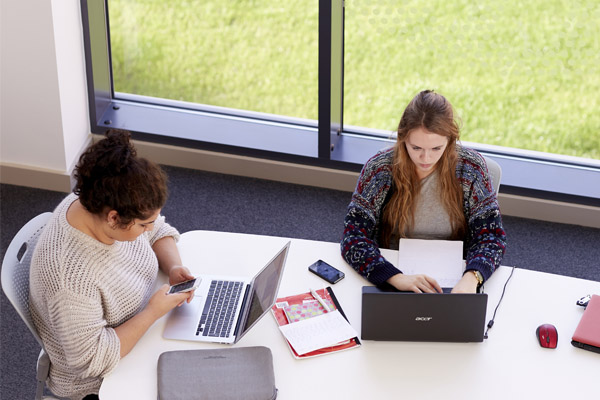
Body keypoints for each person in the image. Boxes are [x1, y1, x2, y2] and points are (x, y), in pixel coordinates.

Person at [29, 129, 194, 399]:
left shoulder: (96, 200)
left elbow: (158, 229)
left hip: (143, 327)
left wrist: (174, 267)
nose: (150, 227)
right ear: (114, 219)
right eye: (143, 224)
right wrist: (153, 312)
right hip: (101, 379)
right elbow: (93, 361)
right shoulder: (69, 279)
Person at [341, 90, 506, 294]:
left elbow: (491, 237)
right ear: (403, 139)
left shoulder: (471, 169)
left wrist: (472, 277)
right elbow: (353, 237)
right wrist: (394, 277)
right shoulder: (380, 169)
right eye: (416, 147)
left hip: (455, 276)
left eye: (436, 148)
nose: (425, 158)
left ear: (450, 140)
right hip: (395, 271)